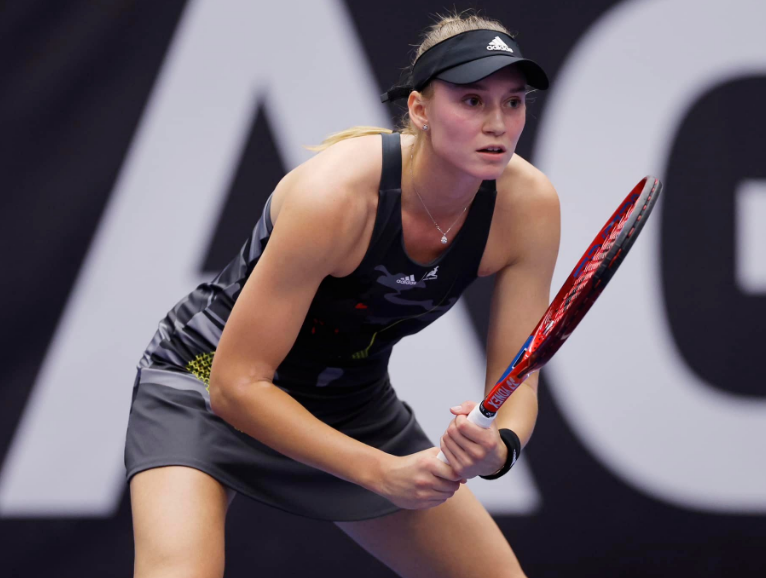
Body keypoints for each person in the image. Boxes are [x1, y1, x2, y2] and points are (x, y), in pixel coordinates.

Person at [125, 11, 559, 578]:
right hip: (205, 383)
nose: (498, 123)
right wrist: (382, 473)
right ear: (420, 110)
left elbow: (519, 376)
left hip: (349, 405)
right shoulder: (335, 196)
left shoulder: (529, 207)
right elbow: (237, 385)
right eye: (472, 101)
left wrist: (500, 448)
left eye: (513, 101)